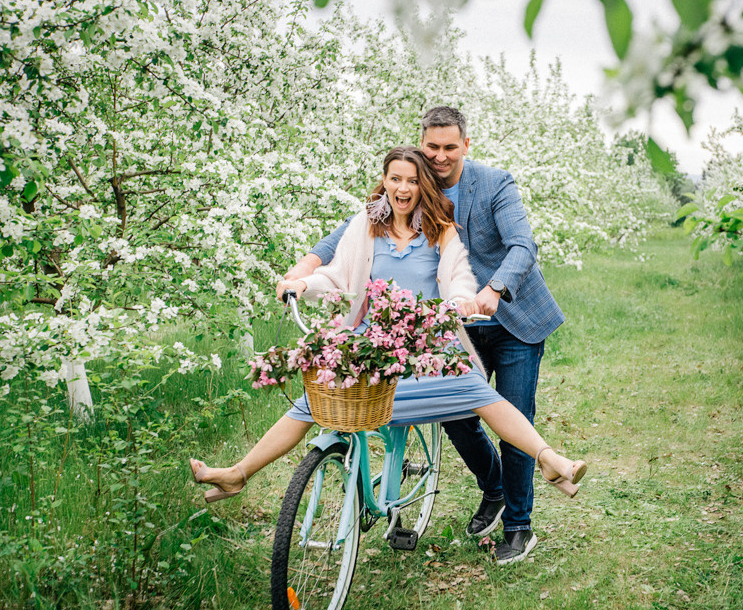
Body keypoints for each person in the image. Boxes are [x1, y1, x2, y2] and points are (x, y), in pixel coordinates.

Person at [190, 147, 586, 557]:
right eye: (395, 179)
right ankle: (238, 473)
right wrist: (304, 283)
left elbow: (458, 278)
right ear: (385, 182)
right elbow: (337, 275)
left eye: (413, 180)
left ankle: (548, 458)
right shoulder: (365, 226)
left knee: (479, 393)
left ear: (424, 186)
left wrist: (462, 302)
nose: (403, 188)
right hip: (373, 341)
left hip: (428, 342)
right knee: (313, 402)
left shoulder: (441, 230)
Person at [284, 107, 565, 565]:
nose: (440, 156)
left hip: (510, 317)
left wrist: (494, 289)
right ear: (421, 144)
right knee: (456, 417)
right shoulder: (413, 181)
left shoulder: (494, 184)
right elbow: (347, 234)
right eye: (432, 147)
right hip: (451, 324)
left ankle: (518, 525)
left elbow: (522, 246)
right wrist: (305, 268)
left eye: (450, 147)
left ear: (465, 145)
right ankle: (494, 488)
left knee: (512, 416)